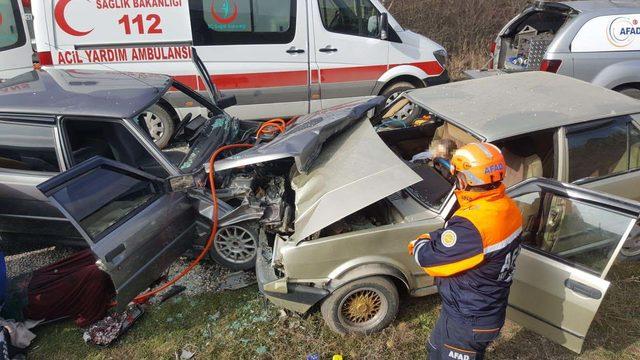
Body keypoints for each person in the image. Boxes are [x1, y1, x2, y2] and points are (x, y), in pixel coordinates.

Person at [408, 143, 523, 360]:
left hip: (470, 319)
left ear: (465, 179)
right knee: (434, 351)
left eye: (457, 174)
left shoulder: (475, 226)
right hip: (466, 309)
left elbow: (430, 260)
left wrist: (421, 241)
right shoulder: (507, 207)